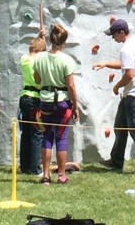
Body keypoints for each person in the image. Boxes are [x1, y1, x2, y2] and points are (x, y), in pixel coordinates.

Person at [93, 19, 135, 175]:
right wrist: (106, 63)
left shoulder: (126, 49)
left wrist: (117, 86)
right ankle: (116, 160)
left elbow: (129, 74)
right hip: (133, 93)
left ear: (121, 32)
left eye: (114, 34)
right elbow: (127, 65)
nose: (113, 38)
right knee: (120, 127)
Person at [33, 23, 79, 185]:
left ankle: (46, 175)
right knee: (61, 137)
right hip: (61, 101)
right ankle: (61, 175)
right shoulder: (66, 60)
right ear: (63, 42)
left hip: (45, 100)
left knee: (46, 136)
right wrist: (75, 105)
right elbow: (71, 86)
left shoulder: (39, 58)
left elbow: (37, 80)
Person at [19, 34, 46, 174]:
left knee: (26, 133)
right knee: (37, 133)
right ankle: (36, 168)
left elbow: (38, 52)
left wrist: (39, 38)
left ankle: (25, 166)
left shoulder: (24, 59)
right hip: (35, 98)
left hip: (24, 97)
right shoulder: (38, 62)